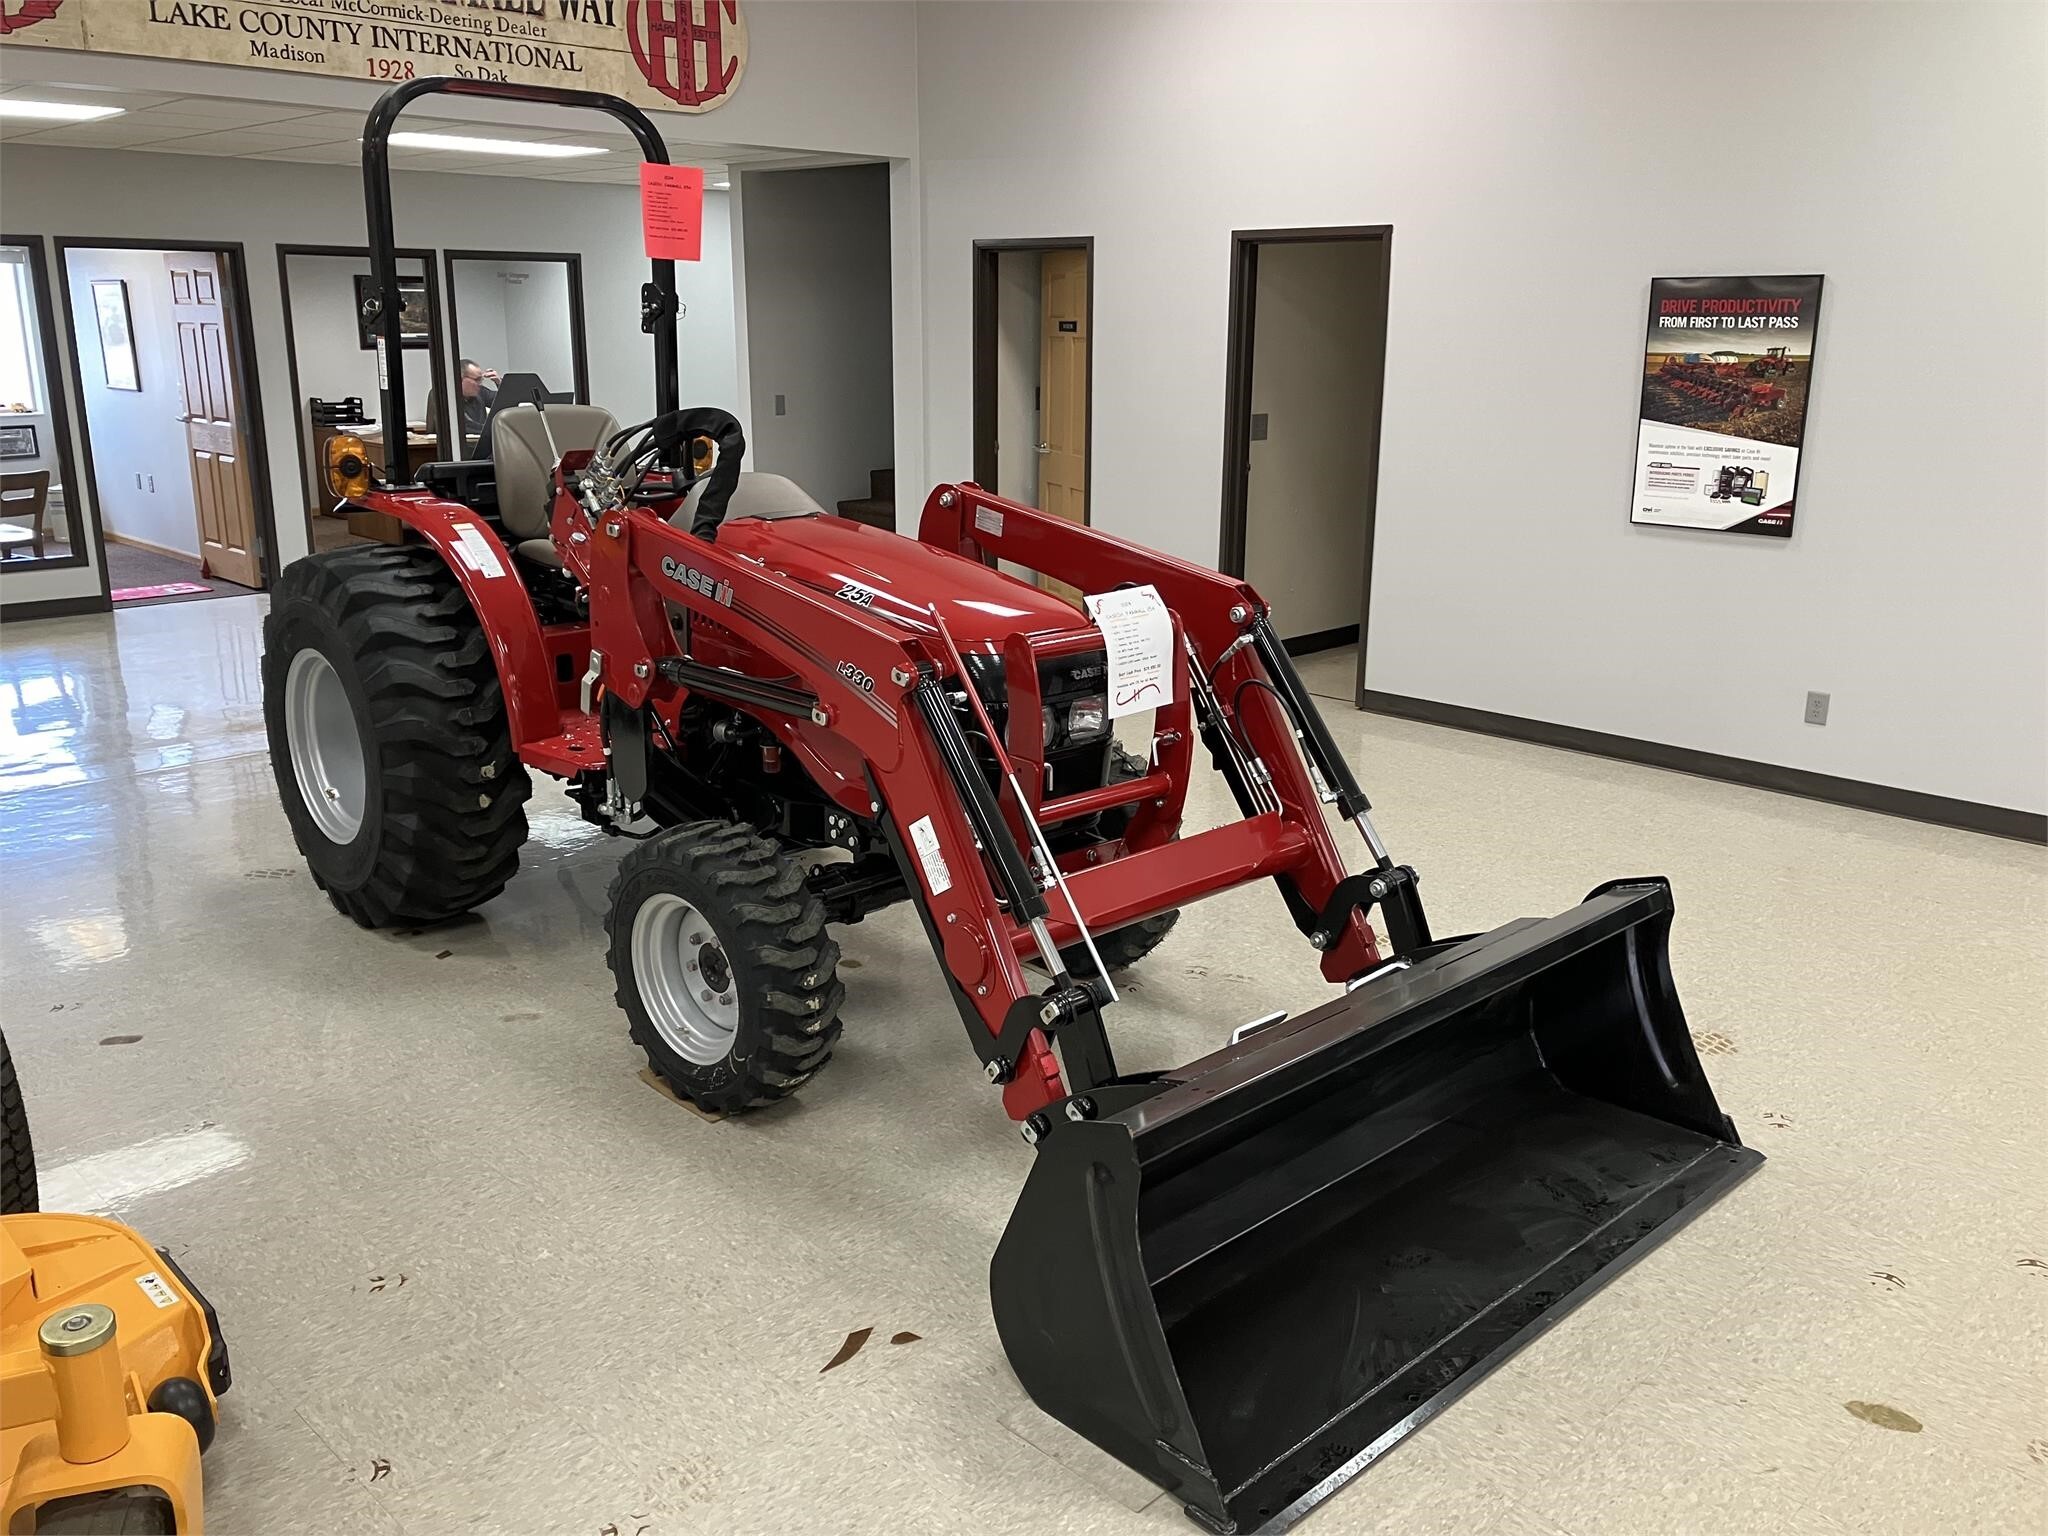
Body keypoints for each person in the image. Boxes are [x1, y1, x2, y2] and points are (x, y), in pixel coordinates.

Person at [456, 358, 499, 448]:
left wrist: (499, 383)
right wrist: (496, 429)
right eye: (476, 379)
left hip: (480, 446)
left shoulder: (480, 392)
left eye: (480, 379)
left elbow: (503, 401)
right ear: (459, 380)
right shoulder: (444, 397)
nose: (479, 384)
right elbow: (465, 427)